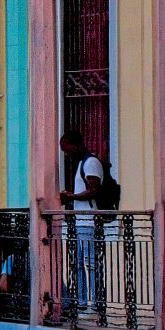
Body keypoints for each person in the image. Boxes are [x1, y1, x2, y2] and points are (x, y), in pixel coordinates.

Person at [58, 132, 106, 314]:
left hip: (88, 221)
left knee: (90, 263)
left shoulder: (90, 162)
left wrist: (71, 196)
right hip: (80, 221)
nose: (66, 154)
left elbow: (94, 190)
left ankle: (93, 303)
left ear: (74, 144)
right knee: (78, 263)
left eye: (66, 149)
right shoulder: (81, 164)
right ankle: (82, 301)